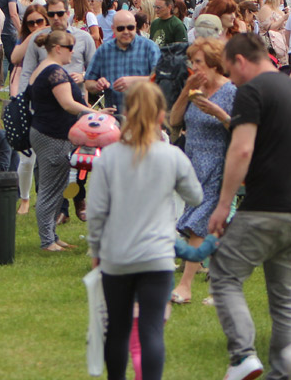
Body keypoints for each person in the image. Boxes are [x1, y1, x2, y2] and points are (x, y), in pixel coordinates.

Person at [207, 35, 291, 380]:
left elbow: (242, 149)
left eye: (230, 71)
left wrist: (223, 205)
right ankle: (284, 373)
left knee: (225, 273)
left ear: (241, 61)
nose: (232, 80)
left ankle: (242, 355)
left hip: (267, 206)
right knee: (285, 296)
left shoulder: (252, 91)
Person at [87, 81, 202, 380]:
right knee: (151, 329)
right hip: (157, 256)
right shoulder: (172, 156)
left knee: (118, 328)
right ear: (161, 114)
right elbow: (196, 196)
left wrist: (96, 253)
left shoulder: (108, 158)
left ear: (126, 113)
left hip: (117, 256)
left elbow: (96, 213)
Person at [30, 29, 112, 251]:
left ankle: (53, 237)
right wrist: (97, 115)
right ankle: (47, 241)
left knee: (56, 187)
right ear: (58, 49)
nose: (72, 52)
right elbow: (67, 104)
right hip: (52, 135)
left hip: (47, 133)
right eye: (69, 48)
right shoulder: (55, 70)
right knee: (50, 189)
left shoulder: (44, 68)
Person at [168, 38, 236, 305]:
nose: (194, 67)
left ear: (213, 64)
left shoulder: (231, 92)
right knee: (213, 226)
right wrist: (186, 91)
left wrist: (219, 113)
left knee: (199, 224)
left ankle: (185, 287)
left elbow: (241, 130)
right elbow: (174, 121)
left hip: (218, 162)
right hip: (193, 163)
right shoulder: (193, 89)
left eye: (199, 62)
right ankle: (223, 284)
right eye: (192, 62)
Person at [85, 10, 161, 116]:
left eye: (130, 28)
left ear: (135, 26)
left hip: (144, 115)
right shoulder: (104, 50)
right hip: (115, 117)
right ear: (113, 29)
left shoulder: (149, 47)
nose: (126, 32)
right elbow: (88, 82)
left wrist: (135, 81)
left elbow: (161, 80)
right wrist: (98, 85)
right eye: (121, 28)